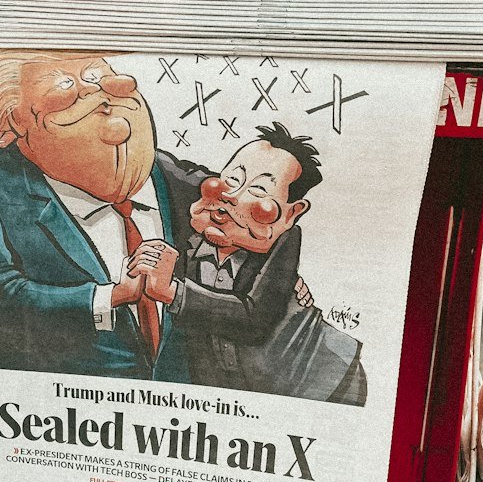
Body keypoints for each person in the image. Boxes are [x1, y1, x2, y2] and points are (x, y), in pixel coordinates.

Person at [0, 50, 196, 380]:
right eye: (64, 84)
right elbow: (2, 293)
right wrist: (115, 295)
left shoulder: (169, 174)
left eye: (97, 75)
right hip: (47, 408)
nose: (95, 92)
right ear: (17, 118)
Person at [127, 124, 367, 405]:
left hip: (322, 385)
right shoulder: (206, 200)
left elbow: (253, 319)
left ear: (291, 214)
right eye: (231, 179)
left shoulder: (284, 238)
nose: (232, 196)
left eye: (259, 190)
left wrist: (172, 293)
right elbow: (157, 161)